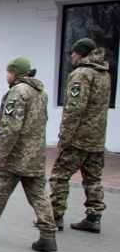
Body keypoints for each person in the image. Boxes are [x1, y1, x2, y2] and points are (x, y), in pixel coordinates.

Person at [0, 56, 58, 252]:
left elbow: (10, 126)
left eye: (7, 72)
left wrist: (2, 154)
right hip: (36, 155)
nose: (6, 75)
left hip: (16, 155)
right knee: (39, 195)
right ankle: (48, 235)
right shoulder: (40, 92)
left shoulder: (18, 91)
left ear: (14, 73)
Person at [48, 38, 111, 233]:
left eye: (74, 52)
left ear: (82, 53)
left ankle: (55, 217)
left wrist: (65, 137)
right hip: (96, 138)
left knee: (60, 176)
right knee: (93, 178)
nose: (72, 55)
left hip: (77, 138)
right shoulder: (104, 74)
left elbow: (75, 109)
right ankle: (93, 218)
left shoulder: (81, 74)